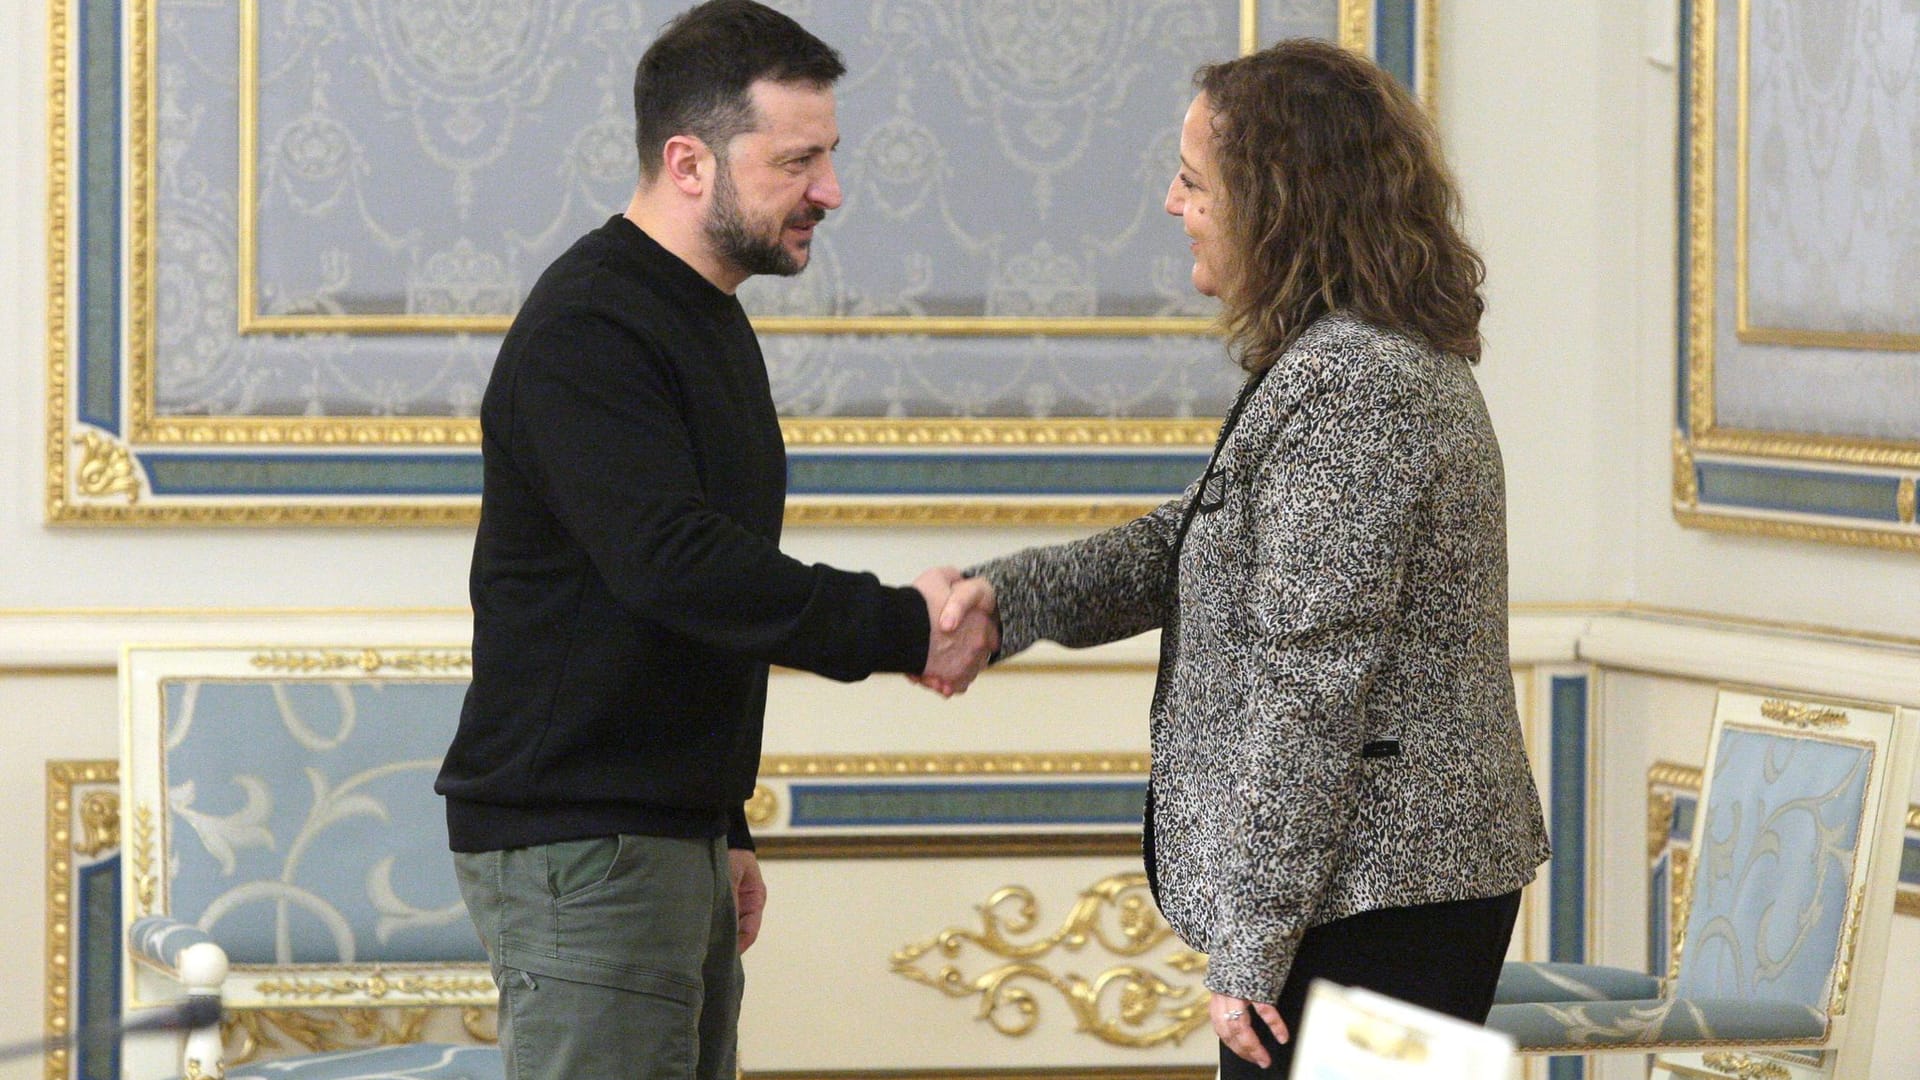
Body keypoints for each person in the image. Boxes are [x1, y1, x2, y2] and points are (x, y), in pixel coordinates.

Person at [924, 40, 1551, 1078]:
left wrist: (1253, 939)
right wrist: (1008, 600)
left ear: (1279, 201)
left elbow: (1314, 681)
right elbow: (1192, 540)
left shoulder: (1358, 383)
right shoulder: (1340, 362)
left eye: (1192, 180)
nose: (1173, 205)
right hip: (1368, 885)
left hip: (1378, 894)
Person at [434, 3, 996, 1078]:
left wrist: (720, 819)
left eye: (829, 156)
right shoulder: (591, 327)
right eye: (799, 161)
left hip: (657, 830)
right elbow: (677, 568)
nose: (831, 191)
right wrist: (904, 627)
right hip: (583, 845)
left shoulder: (700, 312)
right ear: (689, 163)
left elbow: (687, 604)